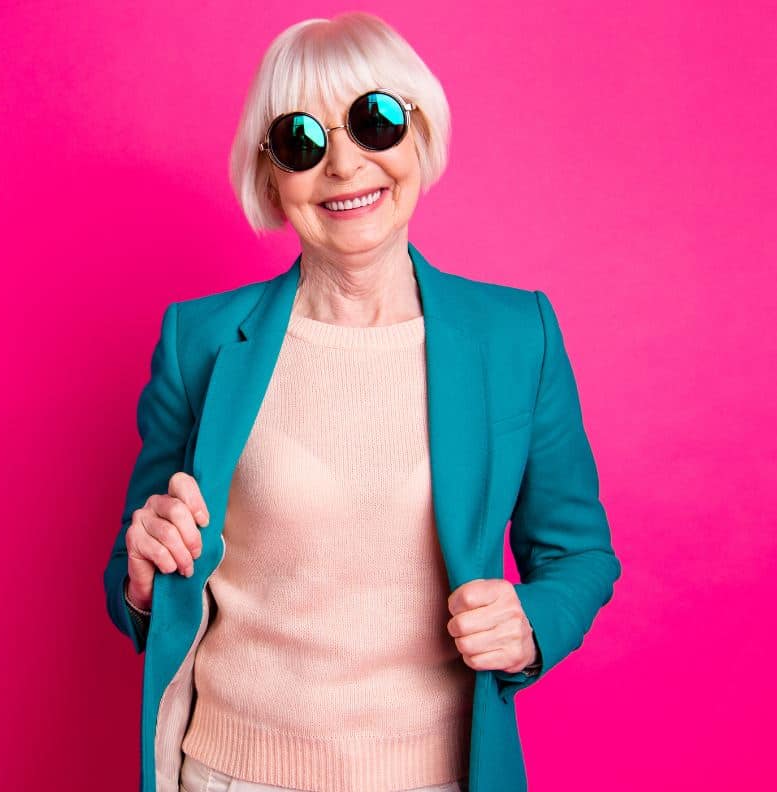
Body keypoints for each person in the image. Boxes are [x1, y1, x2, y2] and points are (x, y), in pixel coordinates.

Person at [102, 12, 621, 792]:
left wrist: (531, 626)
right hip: (228, 776)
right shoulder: (197, 341)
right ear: (271, 176)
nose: (344, 165)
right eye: (301, 141)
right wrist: (141, 575)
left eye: (374, 121)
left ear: (419, 135)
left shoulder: (518, 337)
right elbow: (131, 576)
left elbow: (578, 555)